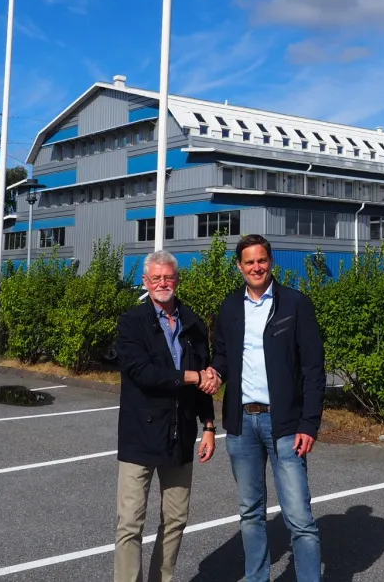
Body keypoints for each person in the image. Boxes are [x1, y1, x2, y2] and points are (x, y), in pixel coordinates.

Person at [205, 233, 326, 582]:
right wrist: (214, 373)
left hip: (285, 424)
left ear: (270, 262)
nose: (256, 267)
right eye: (249, 262)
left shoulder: (295, 303)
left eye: (261, 260)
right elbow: (223, 356)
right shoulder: (230, 306)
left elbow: (314, 369)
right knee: (250, 513)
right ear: (239, 266)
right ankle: (257, 578)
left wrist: (309, 424)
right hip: (242, 424)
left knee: (299, 517)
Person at [114, 250, 217, 582]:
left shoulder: (193, 322)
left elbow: (203, 379)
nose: (162, 283)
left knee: (175, 519)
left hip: (180, 433)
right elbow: (142, 372)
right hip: (140, 434)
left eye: (168, 277)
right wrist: (191, 376)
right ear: (145, 281)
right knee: (130, 523)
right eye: (156, 278)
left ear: (177, 280)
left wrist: (209, 425)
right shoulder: (132, 322)